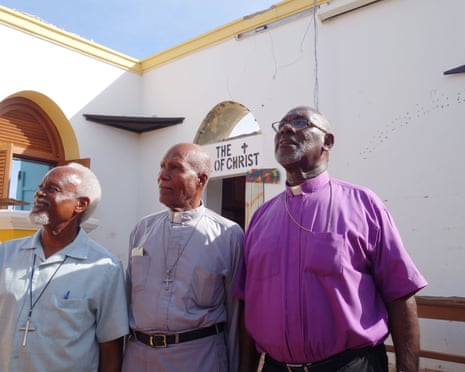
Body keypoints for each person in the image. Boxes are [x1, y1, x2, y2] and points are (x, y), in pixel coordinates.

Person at [234, 106, 428, 372]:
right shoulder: (260, 219)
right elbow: (247, 306)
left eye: (301, 122)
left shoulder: (363, 205)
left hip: (351, 365)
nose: (287, 129)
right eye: (282, 125)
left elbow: (400, 294)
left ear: (328, 141)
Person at [122, 142, 244, 372]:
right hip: (139, 358)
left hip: (198, 358)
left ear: (201, 179)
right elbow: (126, 300)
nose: (162, 176)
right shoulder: (142, 230)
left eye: (175, 168)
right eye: (161, 167)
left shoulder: (228, 235)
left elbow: (236, 315)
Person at [0, 163, 128, 372]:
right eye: (40, 187)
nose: (39, 193)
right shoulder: (5, 254)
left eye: (52, 189)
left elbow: (111, 346)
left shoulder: (105, 268)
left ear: (80, 204)